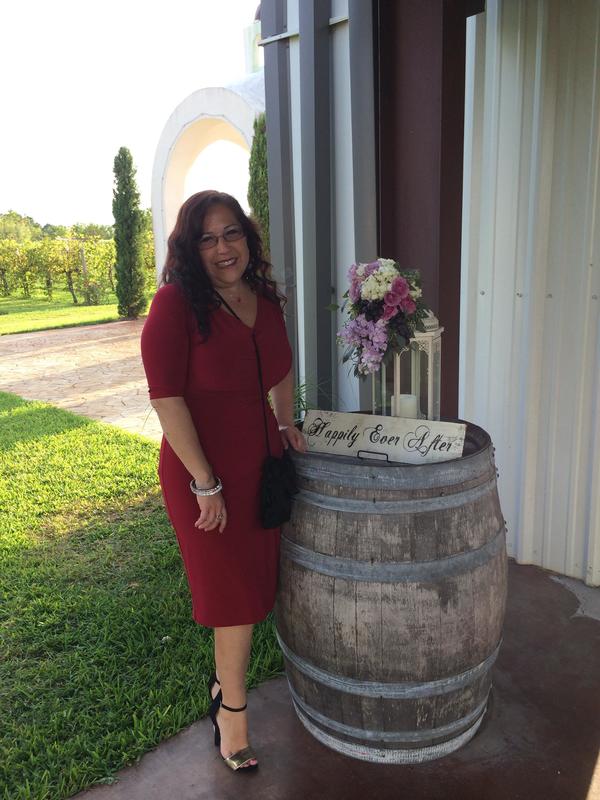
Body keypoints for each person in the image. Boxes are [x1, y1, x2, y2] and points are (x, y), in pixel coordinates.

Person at [140, 190, 306, 773]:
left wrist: (285, 421)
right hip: (201, 470)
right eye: (207, 238)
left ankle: (222, 689)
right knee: (231, 596)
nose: (223, 248)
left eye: (231, 233)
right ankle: (232, 714)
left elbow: (281, 365)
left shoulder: (264, 298)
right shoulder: (175, 305)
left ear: (247, 237)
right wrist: (205, 483)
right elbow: (166, 398)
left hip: (260, 466)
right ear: (191, 249)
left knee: (256, 587)